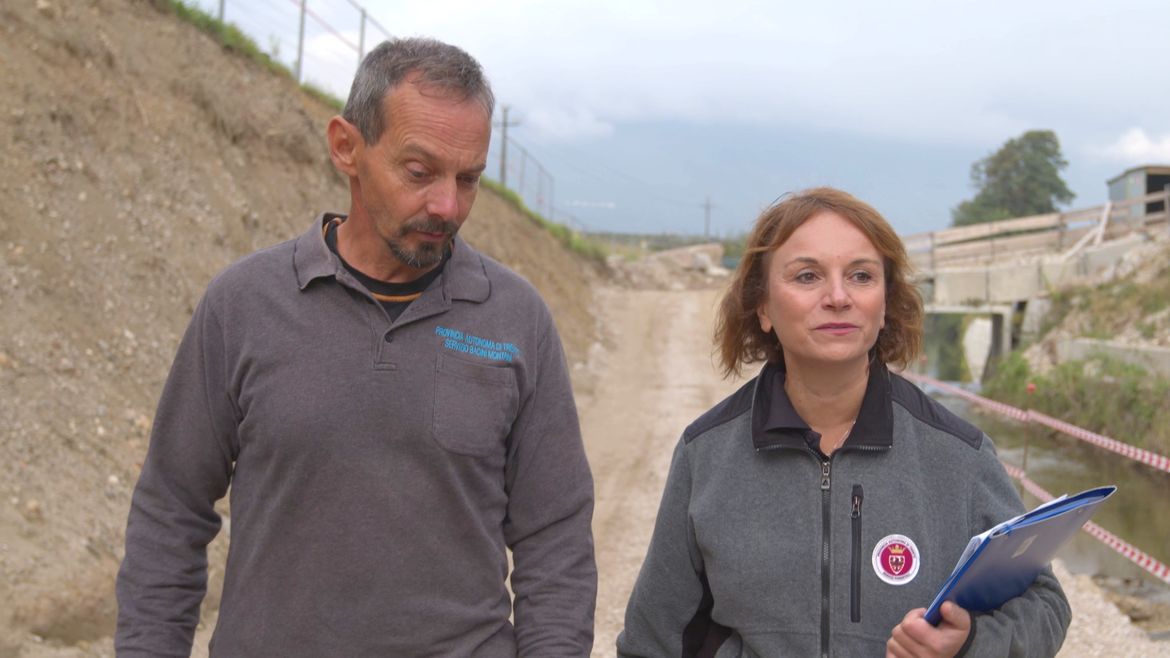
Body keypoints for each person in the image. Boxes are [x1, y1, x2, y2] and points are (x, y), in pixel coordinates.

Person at [115, 38, 596, 657]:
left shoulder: (516, 318)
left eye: (469, 178)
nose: (447, 205)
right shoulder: (243, 305)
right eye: (419, 172)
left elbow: (556, 538)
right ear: (346, 147)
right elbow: (171, 509)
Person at [616, 188, 1069, 658]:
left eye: (861, 276)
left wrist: (970, 644)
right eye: (807, 276)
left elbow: (1044, 604)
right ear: (763, 307)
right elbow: (650, 642)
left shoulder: (960, 455)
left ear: (885, 303)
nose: (838, 297)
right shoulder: (705, 454)